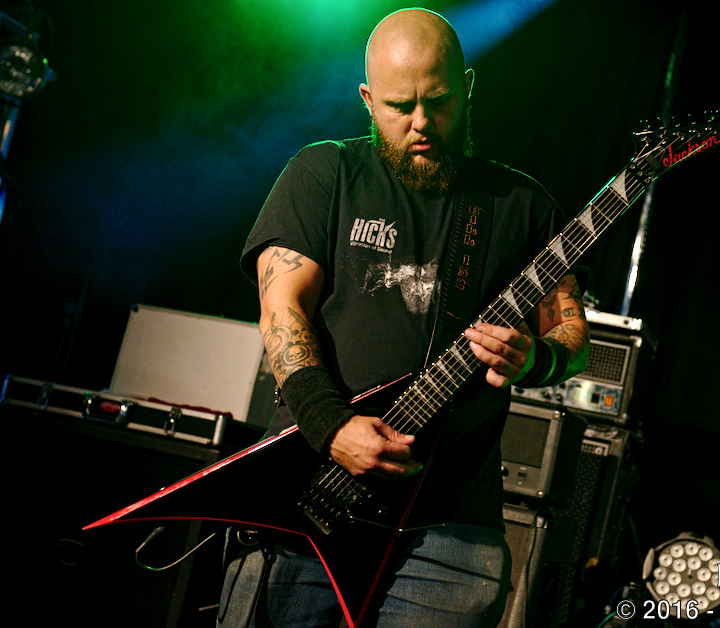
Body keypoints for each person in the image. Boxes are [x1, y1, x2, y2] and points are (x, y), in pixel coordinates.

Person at [218, 8, 589, 627]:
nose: (420, 123)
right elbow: (282, 311)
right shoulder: (325, 173)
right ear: (368, 100)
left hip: (449, 533)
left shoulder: (521, 205)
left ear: (467, 88)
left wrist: (536, 359)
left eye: (438, 102)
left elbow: (572, 334)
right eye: (398, 106)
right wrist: (332, 427)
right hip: (312, 495)